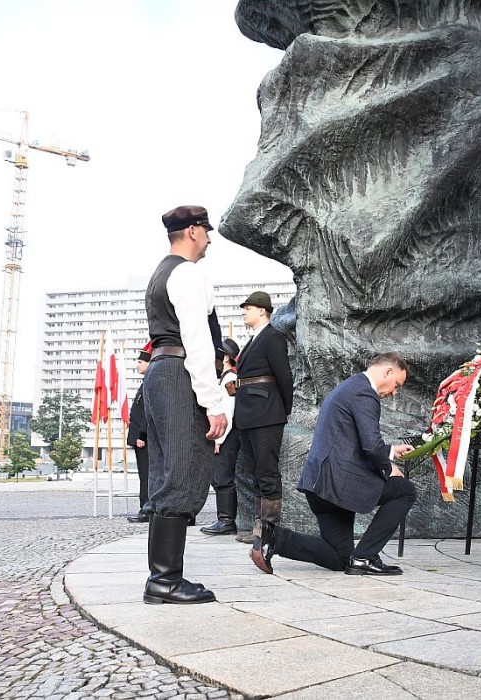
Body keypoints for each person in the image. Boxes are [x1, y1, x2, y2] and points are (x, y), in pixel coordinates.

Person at [251, 352, 416, 576]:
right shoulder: (365, 393)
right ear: (387, 371)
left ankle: (274, 536)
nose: (394, 392)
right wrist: (389, 468)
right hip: (339, 484)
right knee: (404, 491)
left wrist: (389, 450)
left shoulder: (349, 386)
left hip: (321, 485)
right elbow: (370, 444)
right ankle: (365, 557)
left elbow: (348, 439)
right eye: (396, 384)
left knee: (341, 558)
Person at [141, 205, 227, 605]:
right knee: (183, 469)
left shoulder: (160, 272)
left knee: (166, 471)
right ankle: (164, 580)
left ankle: (163, 577)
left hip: (161, 373)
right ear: (192, 231)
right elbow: (197, 341)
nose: (209, 239)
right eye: (206, 231)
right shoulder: (188, 273)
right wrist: (214, 403)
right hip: (179, 374)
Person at [233, 291, 294, 561]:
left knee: (267, 473)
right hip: (248, 414)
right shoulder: (253, 341)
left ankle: (268, 531)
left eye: (248, 308)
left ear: (262, 310)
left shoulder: (272, 337)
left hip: (267, 414)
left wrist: (284, 410)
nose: (244, 312)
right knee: (256, 472)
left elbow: (284, 376)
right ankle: (260, 527)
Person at [201, 338, 242, 535]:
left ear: (226, 358)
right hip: (228, 435)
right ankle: (224, 519)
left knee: (222, 477)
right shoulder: (226, 377)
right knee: (221, 477)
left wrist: (219, 439)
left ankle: (226, 521)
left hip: (227, 435)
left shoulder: (228, 379)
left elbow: (229, 411)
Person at [126, 342, 152, 523]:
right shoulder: (145, 382)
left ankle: (146, 509)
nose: (138, 365)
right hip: (138, 437)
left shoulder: (150, 382)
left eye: (140, 362)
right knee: (143, 475)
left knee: (147, 475)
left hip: (144, 438)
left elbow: (147, 412)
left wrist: (143, 435)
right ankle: (145, 506)